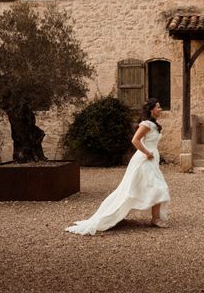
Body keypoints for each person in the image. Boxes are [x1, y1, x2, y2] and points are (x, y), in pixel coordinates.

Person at [65, 98, 170, 235]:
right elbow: (135, 140)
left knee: (152, 187)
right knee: (154, 187)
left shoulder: (154, 124)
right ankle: (151, 218)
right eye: (158, 107)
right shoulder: (146, 124)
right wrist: (147, 153)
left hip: (151, 160)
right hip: (144, 160)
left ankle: (155, 218)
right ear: (151, 110)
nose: (160, 109)